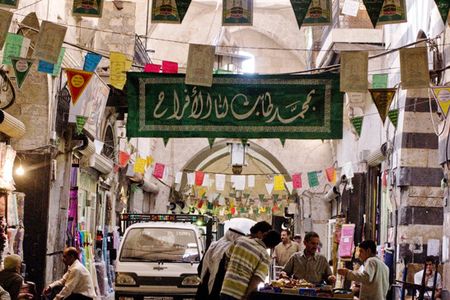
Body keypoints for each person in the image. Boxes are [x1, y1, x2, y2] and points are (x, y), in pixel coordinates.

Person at [220, 230, 281, 300]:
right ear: (273, 246)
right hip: (240, 294)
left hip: (226, 288)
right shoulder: (264, 255)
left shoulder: (240, 240)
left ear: (264, 235)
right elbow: (257, 279)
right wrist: (247, 296)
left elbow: (227, 257)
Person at [196, 227, 246, 300]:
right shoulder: (232, 249)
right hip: (219, 286)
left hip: (204, 284)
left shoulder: (213, 245)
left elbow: (200, 267)